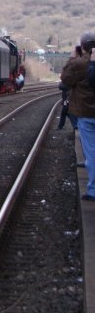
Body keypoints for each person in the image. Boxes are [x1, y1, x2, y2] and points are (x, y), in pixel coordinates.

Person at [62, 32, 95, 200]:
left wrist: (72, 58)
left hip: (86, 113)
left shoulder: (79, 63)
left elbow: (65, 81)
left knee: (91, 152)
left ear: (82, 47)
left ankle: (93, 189)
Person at [60, 46, 83, 129]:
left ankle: (75, 126)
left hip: (72, 95)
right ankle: (62, 126)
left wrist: (70, 60)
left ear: (77, 53)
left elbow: (64, 78)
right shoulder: (86, 62)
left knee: (66, 110)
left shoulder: (74, 64)